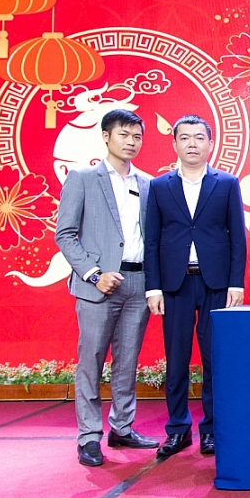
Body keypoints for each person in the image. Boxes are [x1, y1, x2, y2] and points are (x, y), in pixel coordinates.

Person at [55, 108, 159, 467]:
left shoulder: (148, 183)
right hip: (97, 285)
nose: (131, 142)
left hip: (138, 281)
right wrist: (94, 274)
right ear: (105, 136)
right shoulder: (83, 178)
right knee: (92, 361)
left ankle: (122, 427)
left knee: (127, 360)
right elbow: (65, 234)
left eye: (137, 136)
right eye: (123, 135)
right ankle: (88, 436)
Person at [145, 114, 247, 457]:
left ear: (210, 143)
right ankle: (177, 430)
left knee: (213, 358)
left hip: (215, 282)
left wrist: (236, 283)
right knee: (176, 359)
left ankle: (212, 429)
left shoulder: (227, 183)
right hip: (174, 284)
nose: (192, 144)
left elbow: (237, 238)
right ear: (174, 143)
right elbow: (152, 240)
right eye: (185, 138)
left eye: (199, 138)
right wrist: (153, 287)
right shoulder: (159, 186)